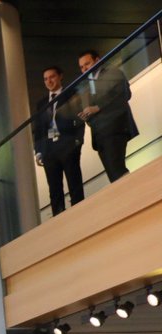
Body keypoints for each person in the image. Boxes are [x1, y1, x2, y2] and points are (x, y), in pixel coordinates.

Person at [78, 49, 138, 183]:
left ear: (97, 60)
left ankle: (134, 193)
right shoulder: (86, 85)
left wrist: (97, 107)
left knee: (118, 171)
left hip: (115, 128)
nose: (84, 69)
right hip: (99, 135)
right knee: (113, 175)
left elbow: (124, 94)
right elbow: (89, 109)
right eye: (81, 67)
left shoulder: (113, 72)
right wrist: (86, 116)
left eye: (87, 64)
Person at [33, 66, 86, 216]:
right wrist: (38, 151)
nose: (49, 81)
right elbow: (38, 129)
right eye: (45, 79)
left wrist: (78, 142)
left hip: (68, 145)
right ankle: (59, 218)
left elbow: (79, 119)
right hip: (49, 149)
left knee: (74, 182)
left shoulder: (71, 94)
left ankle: (80, 214)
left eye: (52, 77)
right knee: (54, 188)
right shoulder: (42, 103)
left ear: (60, 76)